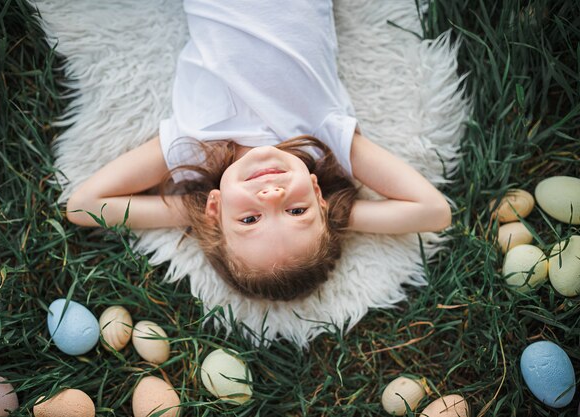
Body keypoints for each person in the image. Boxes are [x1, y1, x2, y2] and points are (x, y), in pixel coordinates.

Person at [65, 1, 452, 302]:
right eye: (296, 211)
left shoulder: (196, 145)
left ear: (216, 210)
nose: (272, 196)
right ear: (319, 195)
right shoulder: (325, 141)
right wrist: (331, 216)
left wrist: (200, 210)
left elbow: (84, 205)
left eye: (249, 219)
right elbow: (434, 212)